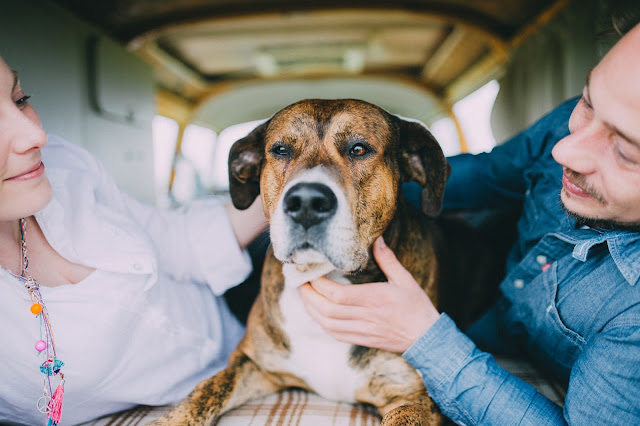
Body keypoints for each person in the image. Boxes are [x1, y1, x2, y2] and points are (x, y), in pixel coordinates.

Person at [299, 21, 640, 425]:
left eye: (625, 151)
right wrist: (349, 196)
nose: (564, 149)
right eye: (586, 102)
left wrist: (422, 336)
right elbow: (489, 174)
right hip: (494, 316)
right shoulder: (565, 131)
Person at [0, 55, 268, 425]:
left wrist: (285, 188)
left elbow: (175, 240)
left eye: (19, 99)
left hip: (241, 326)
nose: (37, 136)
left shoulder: (66, 165)